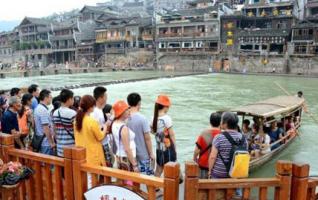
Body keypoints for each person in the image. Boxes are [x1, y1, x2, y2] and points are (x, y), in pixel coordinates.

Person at [208, 112, 248, 179]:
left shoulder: (219, 137)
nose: (220, 122)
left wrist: (209, 171)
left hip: (219, 175)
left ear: (225, 123)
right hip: (236, 175)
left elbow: (212, 157)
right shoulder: (244, 138)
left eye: (221, 120)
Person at [74, 95, 107, 166]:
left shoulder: (76, 121)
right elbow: (100, 137)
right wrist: (105, 127)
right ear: (90, 107)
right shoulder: (91, 121)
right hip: (93, 155)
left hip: (81, 155)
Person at [127, 93, 154, 175]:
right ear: (139, 103)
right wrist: (151, 153)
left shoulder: (125, 118)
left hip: (131, 156)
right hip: (143, 155)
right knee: (148, 180)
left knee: (134, 181)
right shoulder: (142, 119)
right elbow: (147, 138)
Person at [151, 95, 176, 177]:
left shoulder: (153, 118)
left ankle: (155, 187)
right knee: (170, 168)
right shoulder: (167, 118)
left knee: (159, 168)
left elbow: (152, 131)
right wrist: (175, 147)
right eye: (168, 106)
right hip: (168, 147)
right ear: (165, 106)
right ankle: (169, 186)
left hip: (159, 148)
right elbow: (171, 134)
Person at [112, 100, 138, 172]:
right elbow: (127, 149)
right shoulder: (124, 128)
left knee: (123, 181)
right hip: (127, 159)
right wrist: (134, 164)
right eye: (126, 109)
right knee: (130, 182)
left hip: (119, 156)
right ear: (121, 112)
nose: (129, 111)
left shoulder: (114, 123)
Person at [193, 112, 221, 179]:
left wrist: (194, 159)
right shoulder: (223, 135)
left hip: (203, 165)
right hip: (217, 167)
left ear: (210, 122)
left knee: (202, 186)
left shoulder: (204, 133)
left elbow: (196, 151)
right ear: (220, 122)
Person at [52, 89, 76, 157]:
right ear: (69, 99)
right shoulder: (72, 113)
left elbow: (55, 131)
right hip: (71, 148)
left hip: (60, 148)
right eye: (72, 98)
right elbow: (77, 130)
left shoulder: (55, 112)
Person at [34, 89, 55, 155]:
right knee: (49, 163)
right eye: (50, 97)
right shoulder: (43, 110)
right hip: (45, 142)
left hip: (40, 139)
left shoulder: (38, 107)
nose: (51, 99)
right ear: (46, 98)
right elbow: (46, 127)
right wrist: (51, 142)